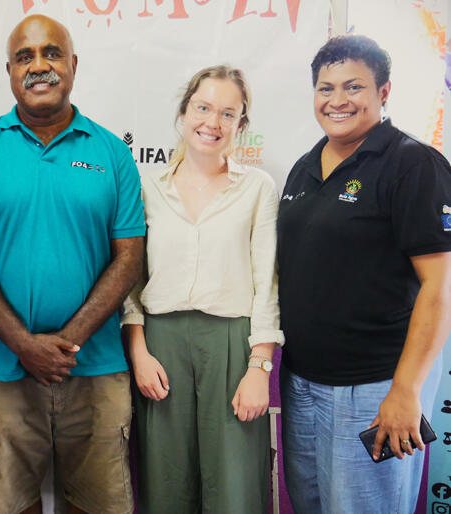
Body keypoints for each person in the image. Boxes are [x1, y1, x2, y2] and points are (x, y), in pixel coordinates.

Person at [0, 14, 145, 514]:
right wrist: (24, 345)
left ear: (73, 64)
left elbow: (129, 259)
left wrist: (66, 343)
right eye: (25, 56)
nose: (39, 66)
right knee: (5, 506)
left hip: (95, 367)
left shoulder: (112, 153)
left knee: (99, 504)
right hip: (0, 370)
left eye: (51, 53)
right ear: (9, 70)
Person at [278, 34, 451, 514]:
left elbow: (441, 286)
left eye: (353, 87)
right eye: (325, 88)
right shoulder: (304, 167)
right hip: (302, 383)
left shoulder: (413, 164)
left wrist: (406, 391)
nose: (337, 101)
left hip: (374, 389)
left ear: (384, 92)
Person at [122, 65, 283, 513]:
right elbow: (131, 284)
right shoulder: (146, 187)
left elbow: (266, 284)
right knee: (165, 482)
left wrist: (260, 368)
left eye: (227, 113)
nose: (212, 123)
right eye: (203, 108)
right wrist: (138, 353)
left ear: (241, 124)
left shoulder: (257, 188)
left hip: (232, 345)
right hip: (161, 346)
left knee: (234, 486)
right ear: (184, 111)